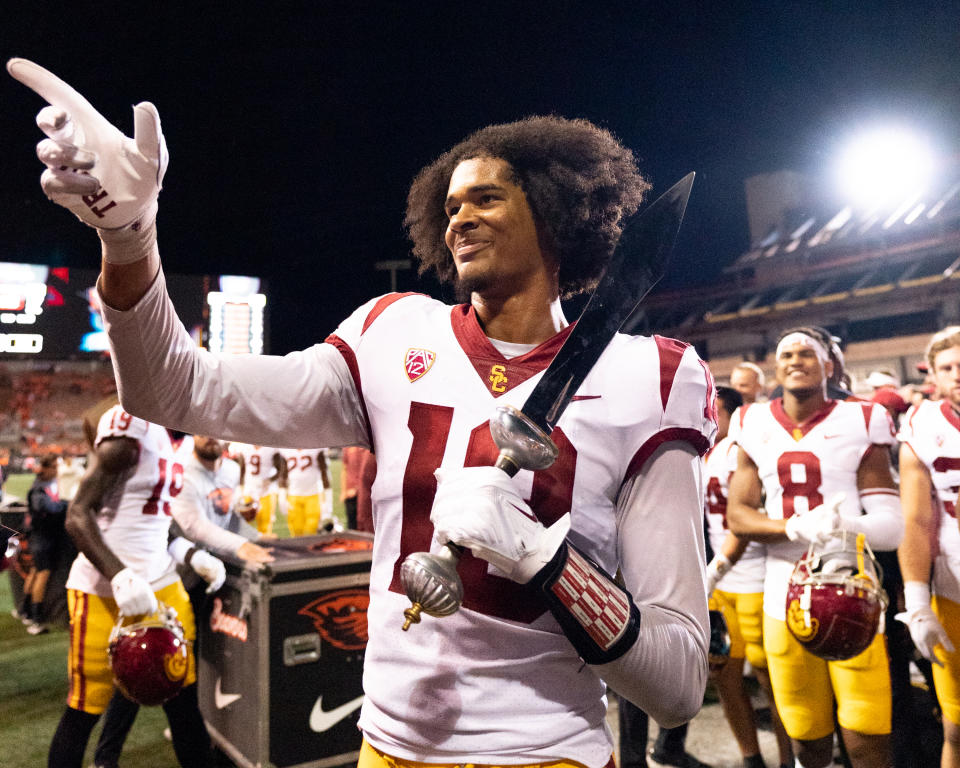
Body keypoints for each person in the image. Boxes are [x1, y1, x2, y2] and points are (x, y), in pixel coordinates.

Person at [12, 59, 716, 768]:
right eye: (450, 207)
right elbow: (174, 389)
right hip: (387, 745)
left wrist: (545, 560)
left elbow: (678, 682)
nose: (460, 217)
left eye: (487, 199)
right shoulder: (391, 333)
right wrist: (130, 236)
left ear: (558, 213)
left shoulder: (649, 377)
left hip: (548, 750)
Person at [726, 327, 903, 768]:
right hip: (779, 596)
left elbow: (892, 527)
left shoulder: (863, 418)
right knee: (806, 737)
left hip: (851, 592)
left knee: (867, 734)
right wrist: (796, 527)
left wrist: (841, 524)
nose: (796, 359)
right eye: (787, 353)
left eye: (808, 352)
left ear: (828, 366)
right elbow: (739, 516)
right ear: (775, 366)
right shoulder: (750, 421)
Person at [92, 433, 273, 768]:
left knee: (197, 662)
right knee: (150, 665)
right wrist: (239, 547)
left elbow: (230, 519)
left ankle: (200, 729)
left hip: (217, 575)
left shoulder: (232, 470)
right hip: (179, 577)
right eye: (203, 430)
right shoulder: (183, 472)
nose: (212, 436)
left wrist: (256, 538)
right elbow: (194, 526)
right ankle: (106, 755)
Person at [703, 386, 792, 768]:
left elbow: (745, 522)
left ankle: (790, 759)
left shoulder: (748, 451)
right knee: (724, 675)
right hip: (721, 586)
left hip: (755, 578)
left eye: (713, 410)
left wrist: (716, 568)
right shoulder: (707, 453)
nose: (705, 416)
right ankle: (751, 758)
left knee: (775, 682)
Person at [896, 325, 960, 768]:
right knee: (956, 726)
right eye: (948, 367)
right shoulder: (923, 422)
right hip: (954, 589)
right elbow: (917, 519)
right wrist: (918, 602)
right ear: (934, 376)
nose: (959, 373)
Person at [22, 452, 69, 634]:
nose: (58, 471)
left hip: (42, 536)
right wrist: (64, 505)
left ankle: (25, 611)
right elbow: (44, 507)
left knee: (35, 572)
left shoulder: (47, 484)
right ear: (48, 468)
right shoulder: (39, 487)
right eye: (56, 467)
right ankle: (35, 619)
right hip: (41, 537)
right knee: (42, 573)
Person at [233, 442, 286, 535]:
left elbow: (281, 469)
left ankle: (265, 547)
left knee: (265, 524)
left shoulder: (271, 448)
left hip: (267, 491)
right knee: (245, 522)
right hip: (249, 490)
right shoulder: (244, 447)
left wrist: (270, 480)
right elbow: (242, 469)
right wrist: (240, 487)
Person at [280, 447, 336, 535]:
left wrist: (328, 500)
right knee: (296, 531)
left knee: (311, 531)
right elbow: (283, 474)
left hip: (314, 495)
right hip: (294, 496)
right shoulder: (286, 449)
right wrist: (282, 497)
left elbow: (324, 473)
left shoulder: (315, 447)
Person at [341, 445, 373, 530]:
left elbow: (368, 472)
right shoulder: (347, 447)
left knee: (365, 524)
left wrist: (358, 489)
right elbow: (344, 468)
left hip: (365, 493)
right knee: (351, 525)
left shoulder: (366, 447)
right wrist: (344, 491)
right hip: (350, 494)